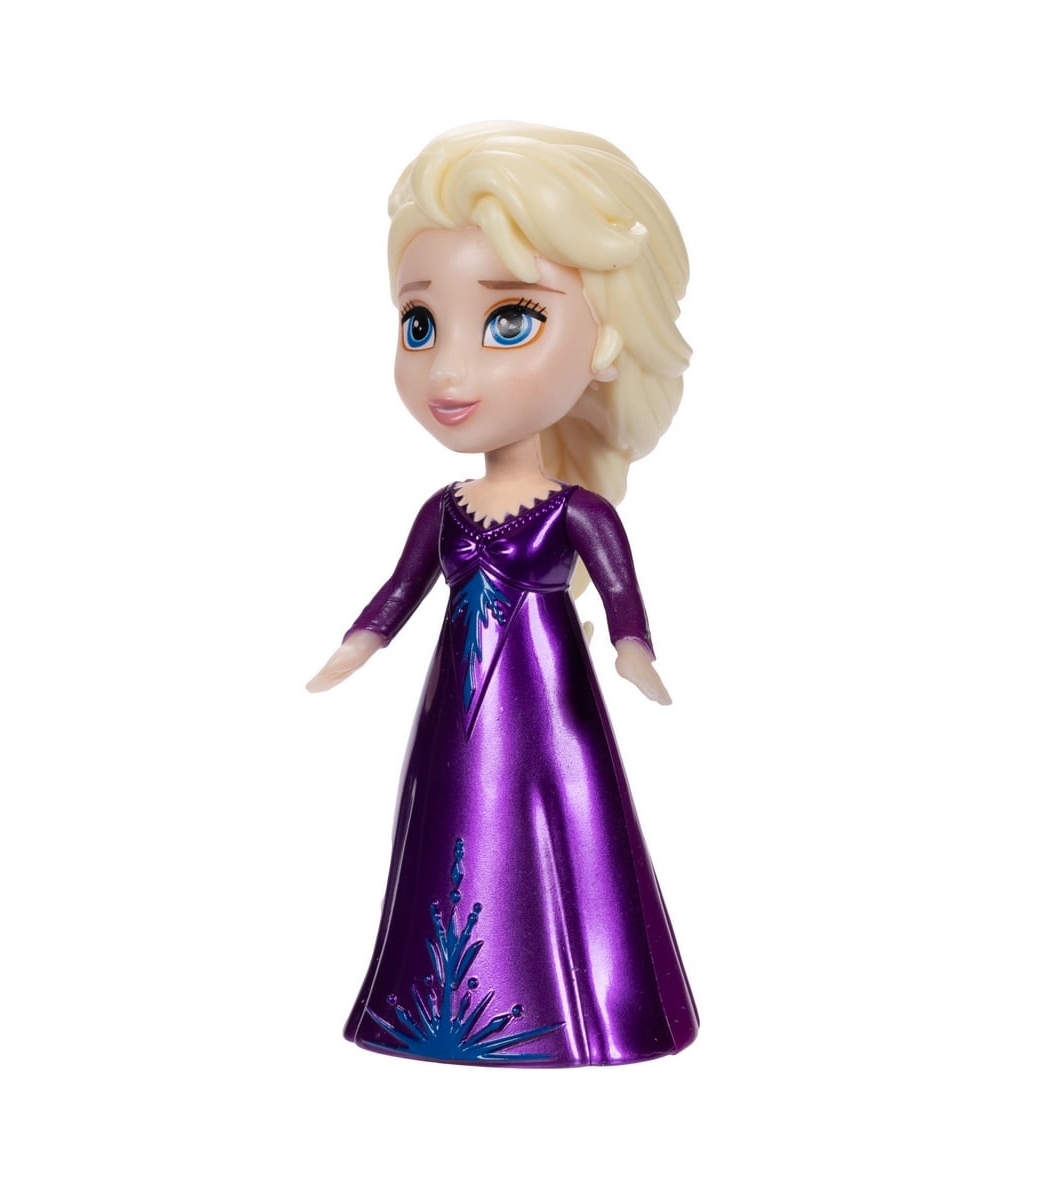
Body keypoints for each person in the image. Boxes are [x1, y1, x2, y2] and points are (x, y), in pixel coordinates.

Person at [308, 123, 699, 1065]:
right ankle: (431, 1005)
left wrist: (633, 652)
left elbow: (622, 594)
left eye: (510, 320)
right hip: (456, 706)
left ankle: (575, 1007)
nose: (449, 370)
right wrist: (354, 647)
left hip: (549, 702)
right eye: (420, 324)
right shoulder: (444, 507)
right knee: (450, 818)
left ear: (606, 341)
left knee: (557, 815)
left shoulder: (573, 510)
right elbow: (401, 589)